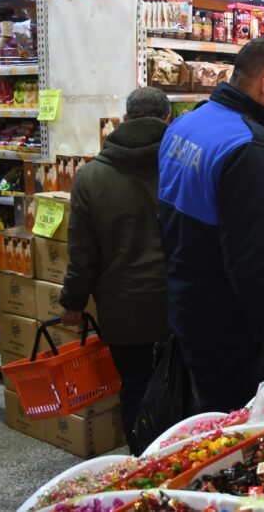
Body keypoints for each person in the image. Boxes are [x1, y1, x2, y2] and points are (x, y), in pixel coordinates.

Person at [158, 36, 264, 412]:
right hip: (230, 325)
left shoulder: (184, 126)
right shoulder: (247, 147)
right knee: (237, 434)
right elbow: (253, 263)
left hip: (187, 305)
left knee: (208, 417)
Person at [59, 87, 171, 455]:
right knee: (180, 383)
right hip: (179, 300)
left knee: (136, 387)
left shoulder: (91, 177)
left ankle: (142, 463)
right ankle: (181, 459)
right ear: (167, 120)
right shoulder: (181, 165)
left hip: (124, 308)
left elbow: (83, 254)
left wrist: (72, 303)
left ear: (123, 121)